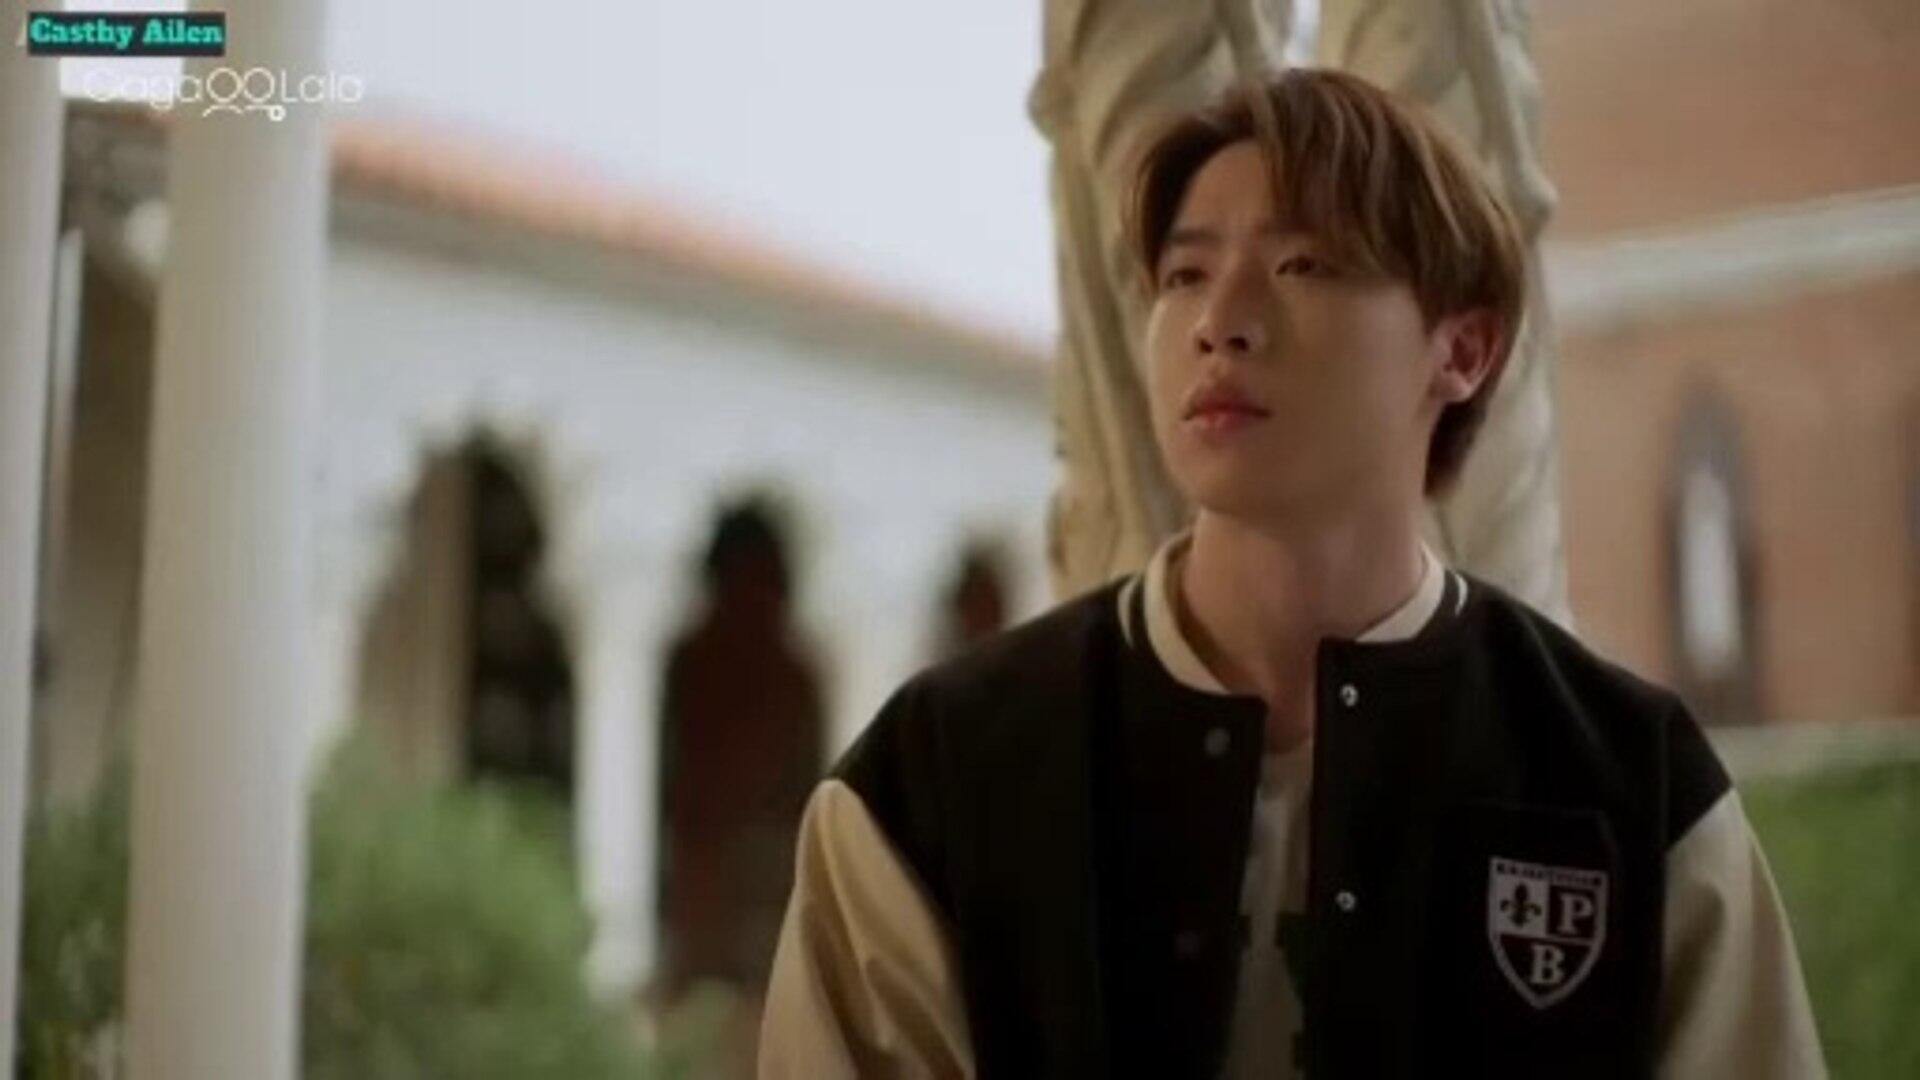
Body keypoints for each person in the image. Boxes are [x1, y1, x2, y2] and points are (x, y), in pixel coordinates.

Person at [758, 69, 1824, 1078]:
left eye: (1301, 264)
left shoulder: (1630, 785)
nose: (1219, 322)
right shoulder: (933, 781)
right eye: (1185, 274)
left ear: (1462, 350)